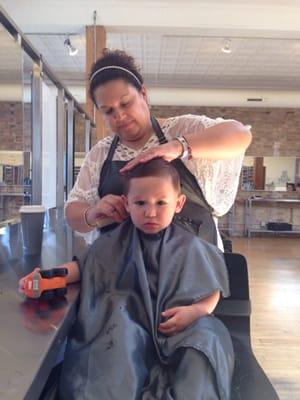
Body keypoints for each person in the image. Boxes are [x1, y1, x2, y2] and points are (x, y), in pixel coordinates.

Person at [55, 158, 234, 400]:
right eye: (140, 203)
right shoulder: (113, 242)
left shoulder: (190, 245)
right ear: (126, 204)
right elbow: (83, 266)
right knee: (113, 344)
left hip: (182, 324)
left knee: (204, 344)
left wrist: (196, 312)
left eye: (161, 203)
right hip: (130, 317)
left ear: (179, 203)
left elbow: (211, 288)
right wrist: (51, 276)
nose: (151, 212)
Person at [65, 49, 252, 250]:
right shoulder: (100, 154)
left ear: (143, 94)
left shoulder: (183, 129)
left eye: (126, 103)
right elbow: (73, 212)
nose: (119, 115)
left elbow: (240, 134)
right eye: (108, 111)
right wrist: (92, 213)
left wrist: (180, 146)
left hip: (195, 271)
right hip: (122, 275)